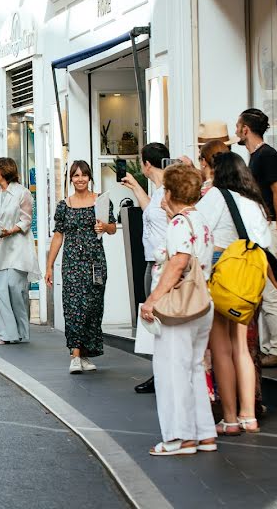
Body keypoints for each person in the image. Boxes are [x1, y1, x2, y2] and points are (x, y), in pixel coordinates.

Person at [139, 164, 216, 456]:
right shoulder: (201, 220)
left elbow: (179, 261)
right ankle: (203, 433)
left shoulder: (179, 224)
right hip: (202, 303)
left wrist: (153, 300)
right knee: (194, 368)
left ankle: (178, 438)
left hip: (179, 306)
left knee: (171, 371)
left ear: (170, 192)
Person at [200, 152, 272, 435]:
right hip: (247, 277)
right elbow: (264, 243)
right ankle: (248, 415)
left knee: (221, 348)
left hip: (221, 273)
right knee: (241, 347)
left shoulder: (216, 196)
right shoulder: (255, 203)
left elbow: (200, 230)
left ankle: (229, 419)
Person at [45, 160, 117, 374]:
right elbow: (58, 236)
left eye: (83, 175)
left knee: (93, 308)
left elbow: (112, 228)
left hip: (95, 262)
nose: (80, 179)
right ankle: (74, 355)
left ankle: (85, 353)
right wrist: (49, 266)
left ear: (90, 177)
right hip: (72, 263)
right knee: (74, 306)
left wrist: (104, 226)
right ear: (70, 179)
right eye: (75, 176)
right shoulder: (64, 205)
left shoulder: (101, 201)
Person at [119, 143, 170, 393]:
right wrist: (136, 187)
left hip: (162, 263)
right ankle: (157, 373)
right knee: (153, 320)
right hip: (153, 260)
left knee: (156, 318)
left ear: (146, 164)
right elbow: (150, 211)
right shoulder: (160, 191)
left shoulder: (168, 190)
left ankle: (161, 375)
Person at [236, 108, 277, 366]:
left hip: (270, 227)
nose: (235, 132)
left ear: (245, 130)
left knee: (272, 288)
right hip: (262, 229)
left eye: (237, 126)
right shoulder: (255, 157)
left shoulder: (267, 156)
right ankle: (270, 346)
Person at [0, 157, 40, 345]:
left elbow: (27, 219)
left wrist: (11, 230)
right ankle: (6, 334)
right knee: (0, 291)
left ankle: (22, 332)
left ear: (4, 170)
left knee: (16, 289)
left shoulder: (22, 193)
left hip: (18, 247)